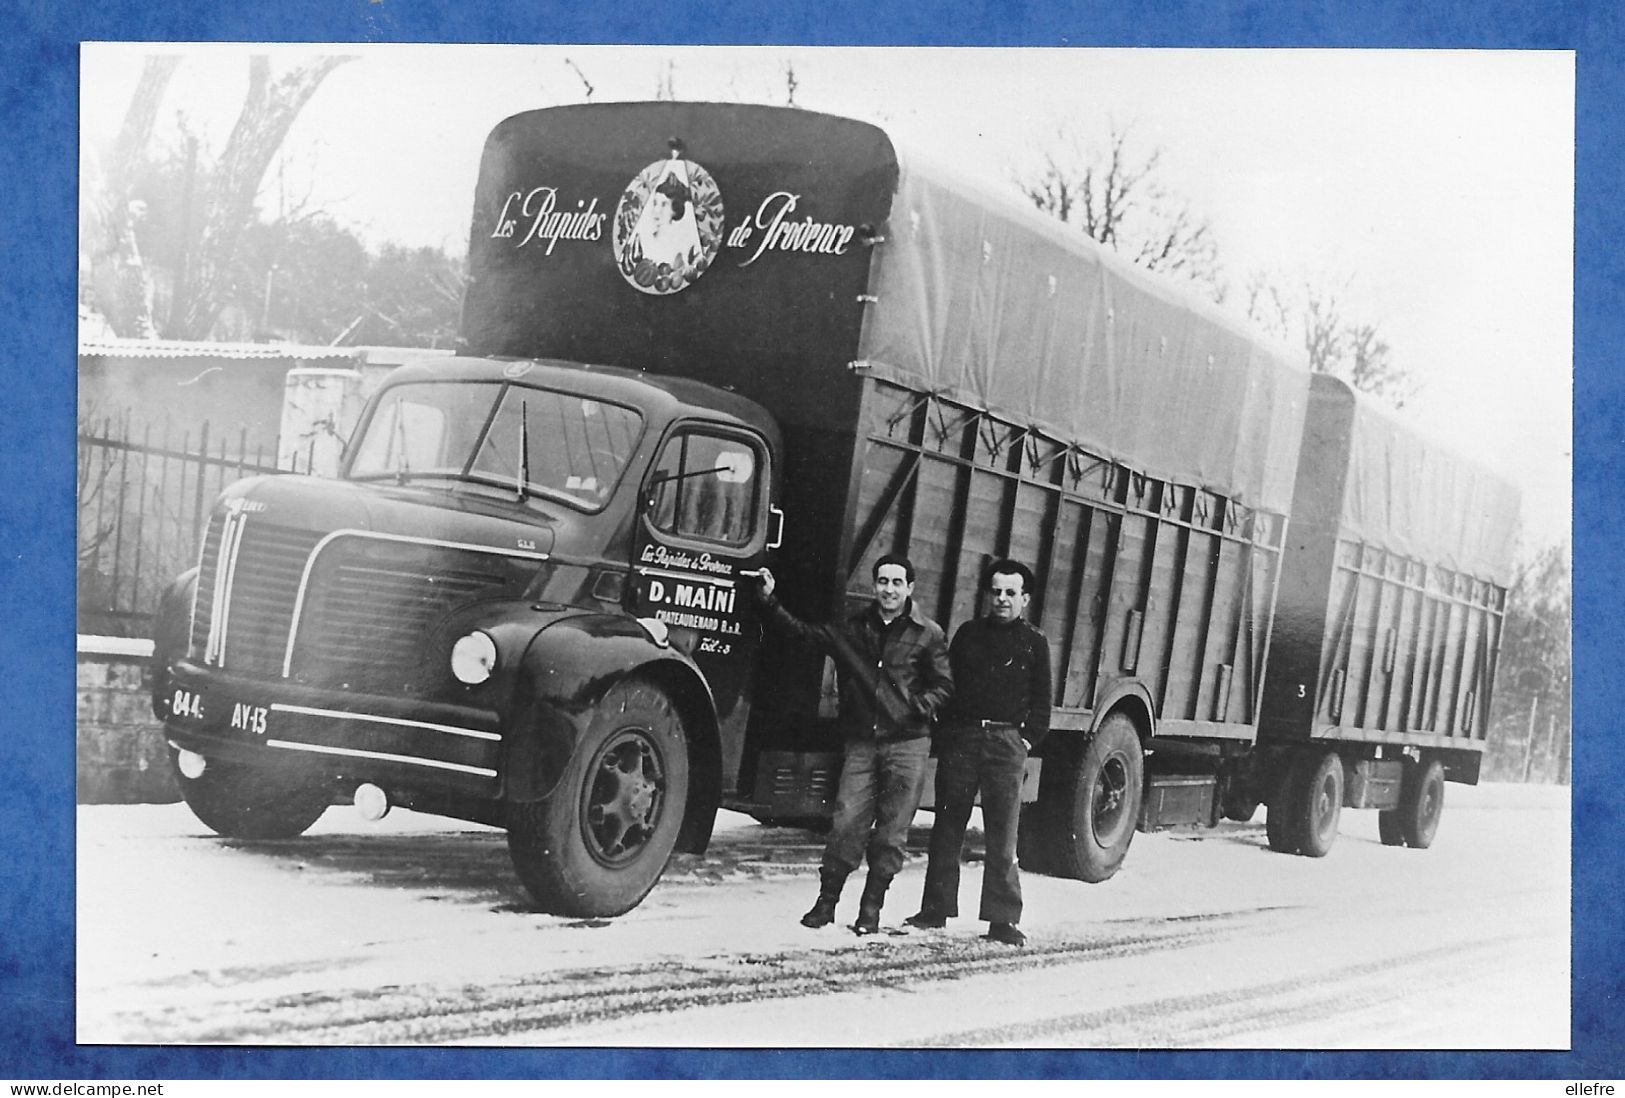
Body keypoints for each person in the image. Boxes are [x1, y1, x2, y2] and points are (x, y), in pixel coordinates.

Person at [756, 556, 953, 935]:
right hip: (863, 742)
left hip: (908, 744)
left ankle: (871, 908)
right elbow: (802, 635)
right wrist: (769, 601)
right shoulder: (853, 629)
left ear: (910, 588)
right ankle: (826, 903)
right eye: (882, 581)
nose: (889, 589)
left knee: (892, 831)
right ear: (874, 585)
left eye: (897, 582)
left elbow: (944, 686)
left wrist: (916, 707)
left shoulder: (928, 633)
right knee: (846, 822)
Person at [906, 559, 1052, 947]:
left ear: (1024, 598)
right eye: (996, 592)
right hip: (963, 740)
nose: (1002, 599)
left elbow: (1042, 702)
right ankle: (934, 909)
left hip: (1006, 744)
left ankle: (1002, 919)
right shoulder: (969, 634)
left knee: (1002, 834)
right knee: (947, 826)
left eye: (1010, 593)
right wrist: (949, 733)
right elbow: (949, 686)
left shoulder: (1034, 642)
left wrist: (1024, 741)